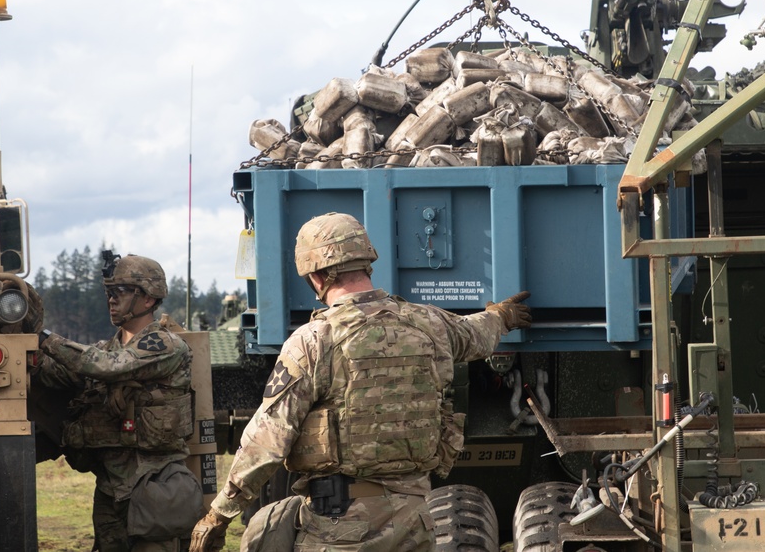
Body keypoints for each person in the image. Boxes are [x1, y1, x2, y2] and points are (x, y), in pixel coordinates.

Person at [190, 212, 531, 551]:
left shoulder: (314, 341)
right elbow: (478, 333)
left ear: (317, 275)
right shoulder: (431, 324)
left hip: (343, 526)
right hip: (415, 520)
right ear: (366, 262)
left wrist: (219, 515)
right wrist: (502, 316)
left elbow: (267, 440)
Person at [33, 253, 203, 552]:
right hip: (111, 484)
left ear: (149, 299)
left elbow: (107, 367)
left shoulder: (164, 344)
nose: (111, 300)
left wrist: (45, 338)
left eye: (121, 293)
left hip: (153, 482)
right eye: (109, 293)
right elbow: (57, 374)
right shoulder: (105, 349)